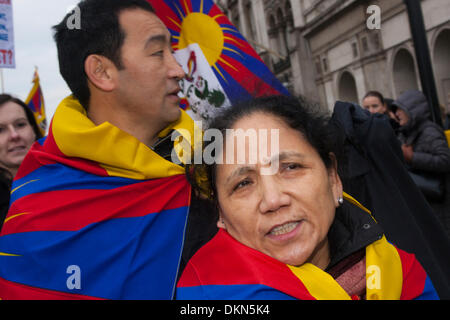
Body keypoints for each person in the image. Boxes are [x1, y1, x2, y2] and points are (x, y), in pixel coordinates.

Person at [0, 0, 206, 300]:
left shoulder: (214, 166)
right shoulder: (37, 210)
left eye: (172, 52)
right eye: (158, 53)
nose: (178, 69)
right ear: (102, 72)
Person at [176, 95, 439, 300]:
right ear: (221, 214)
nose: (273, 200)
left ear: (334, 178)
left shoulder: (403, 274)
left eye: (290, 167)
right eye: (243, 183)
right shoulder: (207, 294)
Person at [0, 94, 43, 229]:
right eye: (0, 130)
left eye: (20, 124)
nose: (14, 135)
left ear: (34, 130)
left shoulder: (67, 180)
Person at [392, 90, 450, 174]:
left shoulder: (429, 131)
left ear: (412, 110)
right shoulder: (405, 132)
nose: (396, 114)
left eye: (400, 109)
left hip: (432, 185)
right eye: (395, 110)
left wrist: (412, 157)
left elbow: (446, 160)